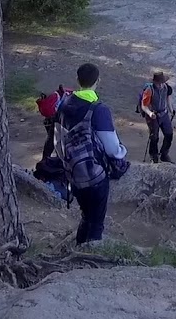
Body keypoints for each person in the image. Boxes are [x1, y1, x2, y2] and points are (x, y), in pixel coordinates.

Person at [58, 63, 128, 244]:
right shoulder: (98, 110)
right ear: (98, 81)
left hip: (73, 174)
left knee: (86, 216)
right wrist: (122, 151)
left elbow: (58, 140)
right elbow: (112, 149)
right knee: (96, 223)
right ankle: (88, 263)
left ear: (78, 80)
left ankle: (79, 249)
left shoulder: (64, 104)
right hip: (95, 176)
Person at [138, 71, 176, 163]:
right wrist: (150, 113)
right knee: (154, 137)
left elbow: (168, 99)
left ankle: (164, 154)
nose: (160, 85)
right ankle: (153, 156)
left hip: (164, 114)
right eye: (158, 83)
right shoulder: (149, 90)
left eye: (161, 83)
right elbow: (144, 105)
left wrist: (171, 110)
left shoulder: (166, 88)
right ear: (154, 82)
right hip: (153, 116)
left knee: (169, 134)